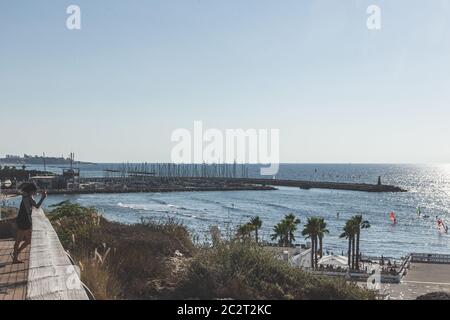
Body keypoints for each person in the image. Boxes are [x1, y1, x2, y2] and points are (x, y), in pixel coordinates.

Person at [11, 183, 47, 264]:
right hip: (24, 221)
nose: (35, 192)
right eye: (34, 191)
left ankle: (16, 254)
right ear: (31, 190)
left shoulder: (25, 195)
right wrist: (43, 197)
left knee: (26, 240)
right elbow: (37, 206)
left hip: (22, 219)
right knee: (22, 240)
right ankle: (15, 257)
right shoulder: (28, 197)